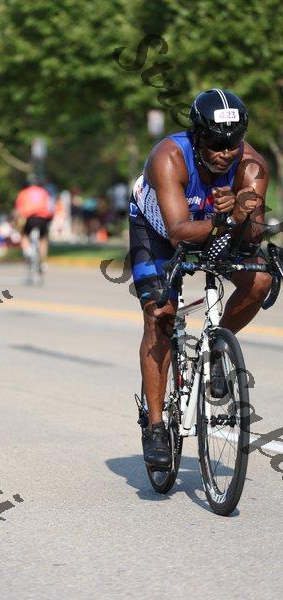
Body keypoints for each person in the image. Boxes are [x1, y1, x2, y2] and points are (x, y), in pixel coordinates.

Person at [129, 89, 271, 469]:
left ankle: (218, 348)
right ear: (196, 137)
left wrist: (243, 215)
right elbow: (178, 232)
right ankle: (156, 426)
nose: (225, 153)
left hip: (217, 227)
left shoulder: (252, 167)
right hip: (157, 230)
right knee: (160, 314)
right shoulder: (168, 157)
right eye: (215, 144)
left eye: (233, 144)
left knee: (260, 281)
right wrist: (227, 219)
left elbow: (253, 234)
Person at [14, 177, 53, 268]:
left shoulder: (23, 193)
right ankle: (43, 262)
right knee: (43, 239)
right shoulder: (44, 192)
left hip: (29, 218)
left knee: (24, 235)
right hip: (42, 218)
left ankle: (27, 251)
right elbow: (50, 207)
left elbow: (18, 209)